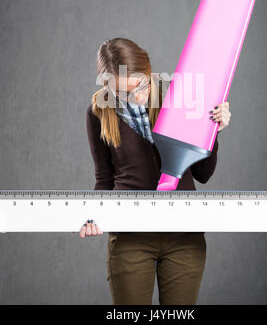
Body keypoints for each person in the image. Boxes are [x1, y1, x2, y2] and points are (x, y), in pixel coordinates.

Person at [80, 37, 231, 305]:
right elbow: (104, 180)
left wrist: (212, 133)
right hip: (130, 239)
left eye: (142, 84)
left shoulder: (178, 96)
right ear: (107, 86)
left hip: (184, 238)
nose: (137, 96)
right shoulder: (98, 112)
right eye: (125, 93)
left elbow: (202, 174)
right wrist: (91, 215)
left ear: (149, 72)